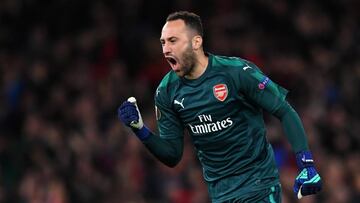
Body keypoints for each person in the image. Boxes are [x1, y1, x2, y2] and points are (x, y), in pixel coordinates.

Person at [118, 11, 322, 203]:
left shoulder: (236, 72)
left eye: (173, 41)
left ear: (196, 42)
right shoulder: (166, 91)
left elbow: (284, 111)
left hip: (258, 187)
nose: (165, 49)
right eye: (163, 42)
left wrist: (306, 163)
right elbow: (172, 155)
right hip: (220, 195)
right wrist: (140, 129)